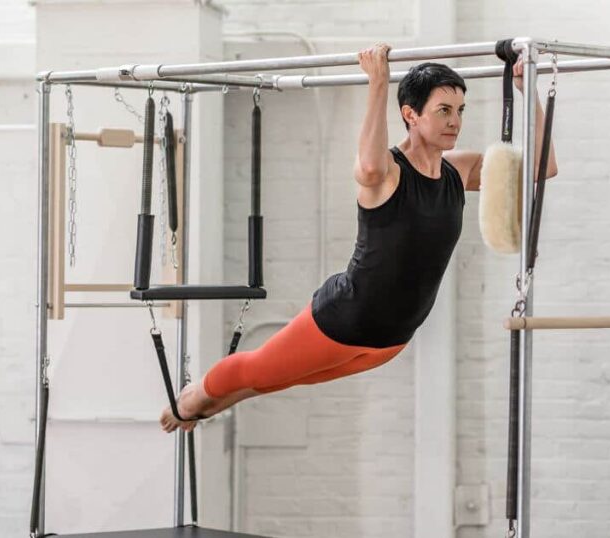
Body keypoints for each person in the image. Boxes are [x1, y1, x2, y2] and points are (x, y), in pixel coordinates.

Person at [160, 43, 558, 433]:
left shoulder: (459, 171)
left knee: (279, 381)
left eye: (459, 111)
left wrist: (529, 94)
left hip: (392, 339)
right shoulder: (388, 171)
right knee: (256, 369)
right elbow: (367, 166)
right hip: (343, 318)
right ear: (410, 115)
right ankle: (194, 399)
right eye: (443, 110)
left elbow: (545, 168)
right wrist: (377, 83)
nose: (455, 121)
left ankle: (210, 404)